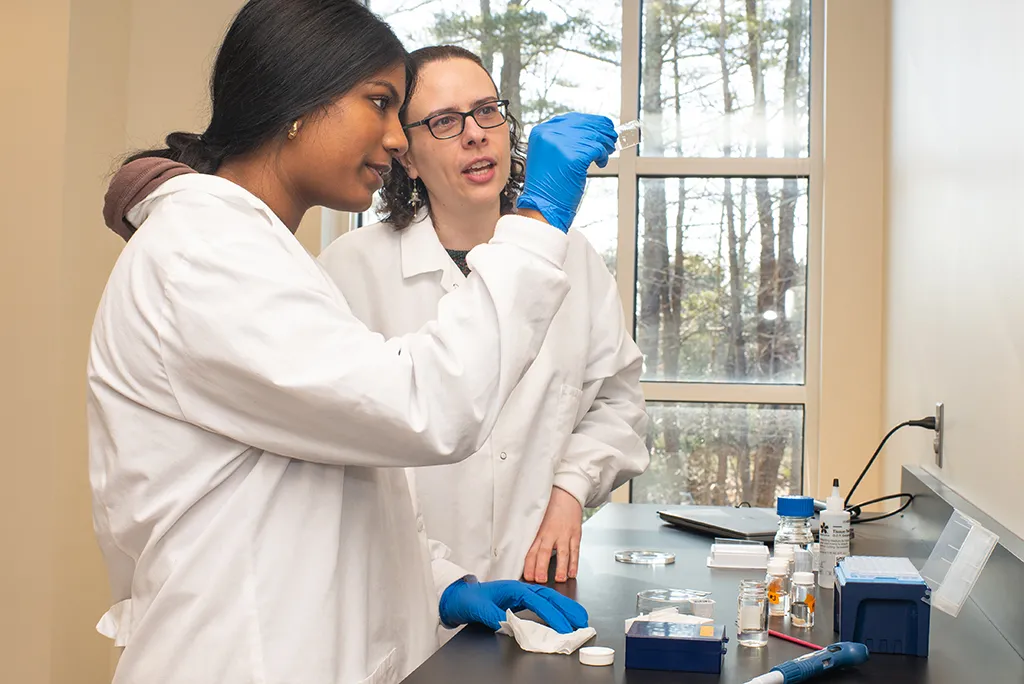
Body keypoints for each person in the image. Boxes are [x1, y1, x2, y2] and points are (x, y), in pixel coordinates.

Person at [87, 1, 617, 683]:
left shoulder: (252, 252)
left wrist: (441, 587)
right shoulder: (204, 253)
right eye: (380, 103)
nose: (399, 138)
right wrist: (538, 217)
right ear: (295, 100)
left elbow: (329, 488)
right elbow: (425, 406)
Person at [318, 45, 650, 589]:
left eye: (487, 111)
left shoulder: (571, 258)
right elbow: (342, 470)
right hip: (402, 595)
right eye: (445, 121)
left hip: (538, 585)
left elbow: (617, 400)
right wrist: (444, 581)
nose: (475, 133)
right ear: (406, 155)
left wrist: (570, 488)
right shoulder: (351, 272)